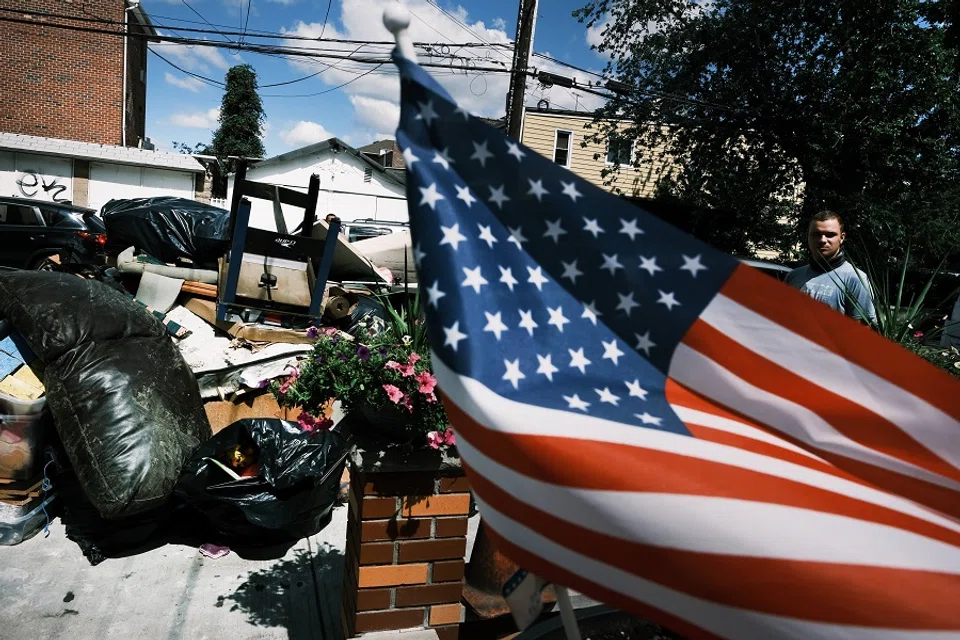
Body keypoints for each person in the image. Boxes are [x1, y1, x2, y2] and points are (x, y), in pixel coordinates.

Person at [785, 210, 877, 324]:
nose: (822, 240)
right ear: (808, 236)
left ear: (842, 237)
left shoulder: (856, 280)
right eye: (816, 234)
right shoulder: (793, 277)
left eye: (830, 235)